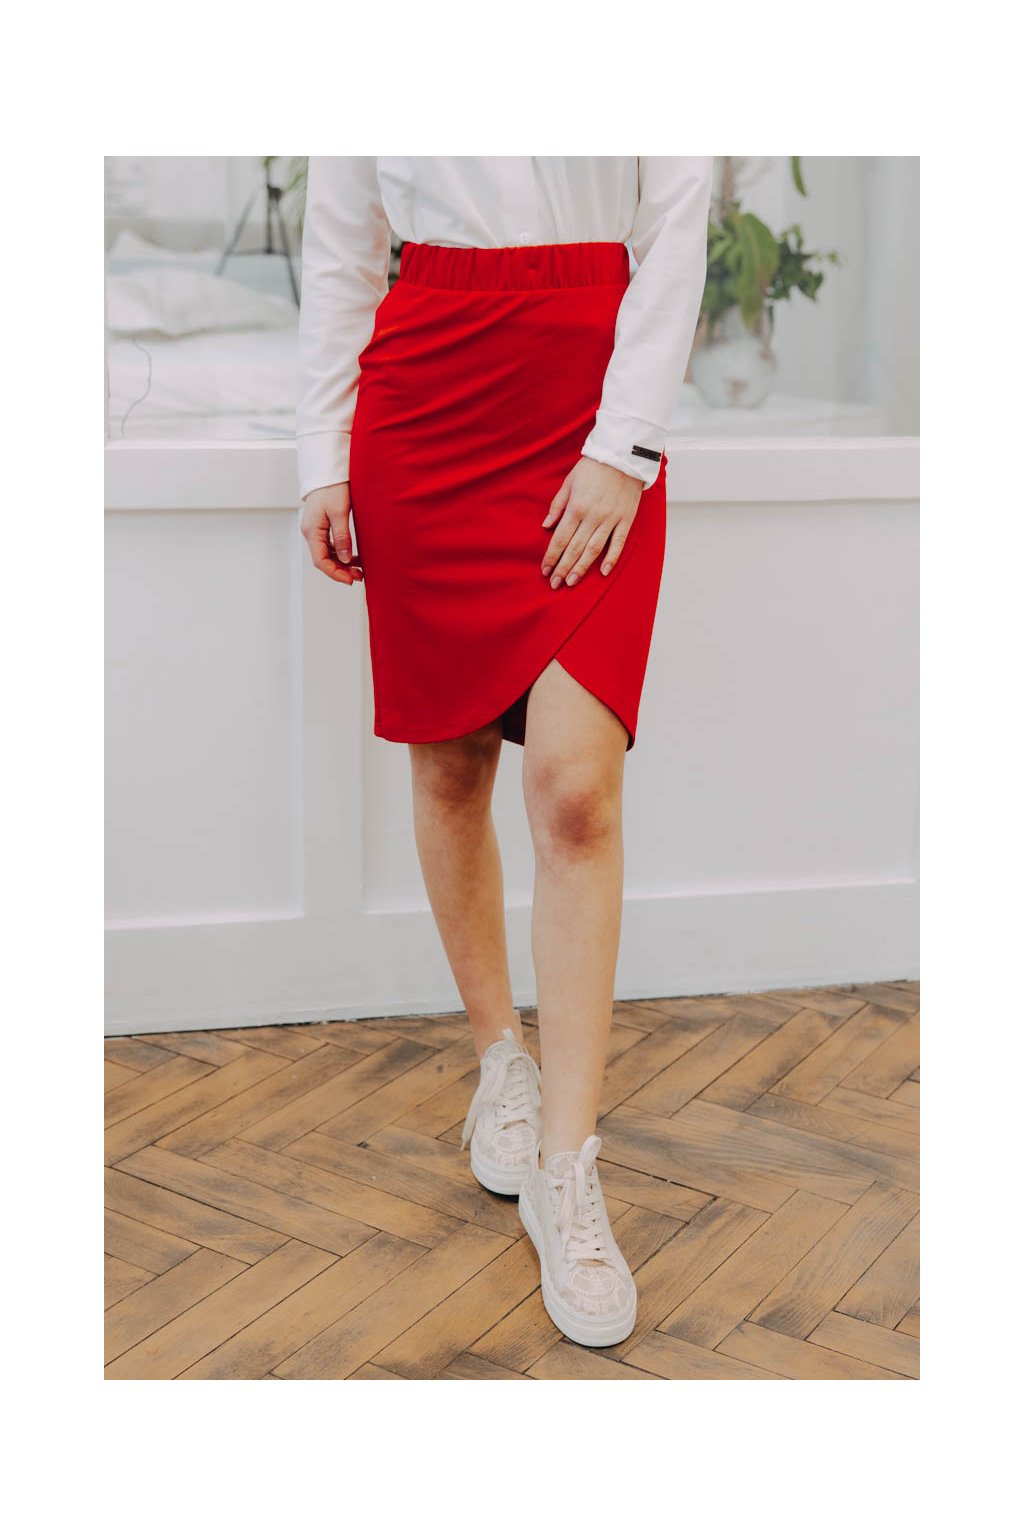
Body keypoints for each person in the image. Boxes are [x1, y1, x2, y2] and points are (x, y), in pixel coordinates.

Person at [296, 156, 712, 1349]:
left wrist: (624, 449)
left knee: (575, 794)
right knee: (448, 764)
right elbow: (339, 252)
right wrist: (324, 456)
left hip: (590, 404)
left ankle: (568, 1171)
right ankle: (500, 1061)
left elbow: (674, 224)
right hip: (425, 404)